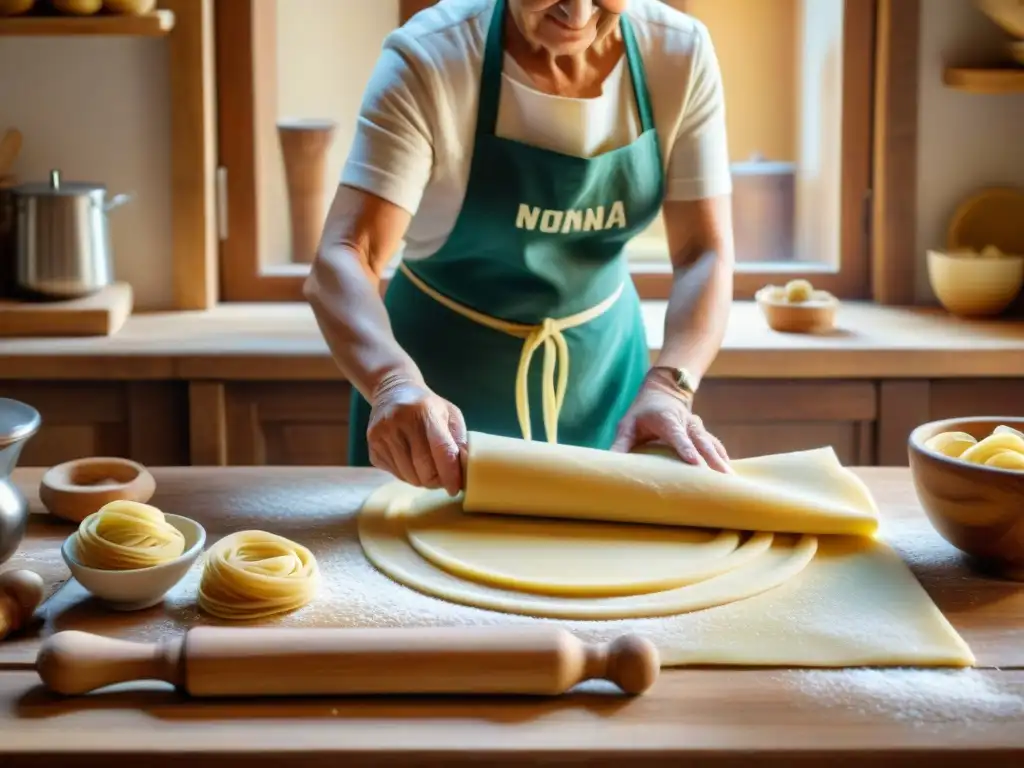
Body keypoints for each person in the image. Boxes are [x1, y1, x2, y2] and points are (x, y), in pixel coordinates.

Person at [305, 0, 735, 498]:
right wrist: (392, 384)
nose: (577, 11)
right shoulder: (432, 58)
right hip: (437, 391)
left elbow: (704, 251)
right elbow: (344, 253)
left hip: (607, 383)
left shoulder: (678, 52)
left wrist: (669, 387)